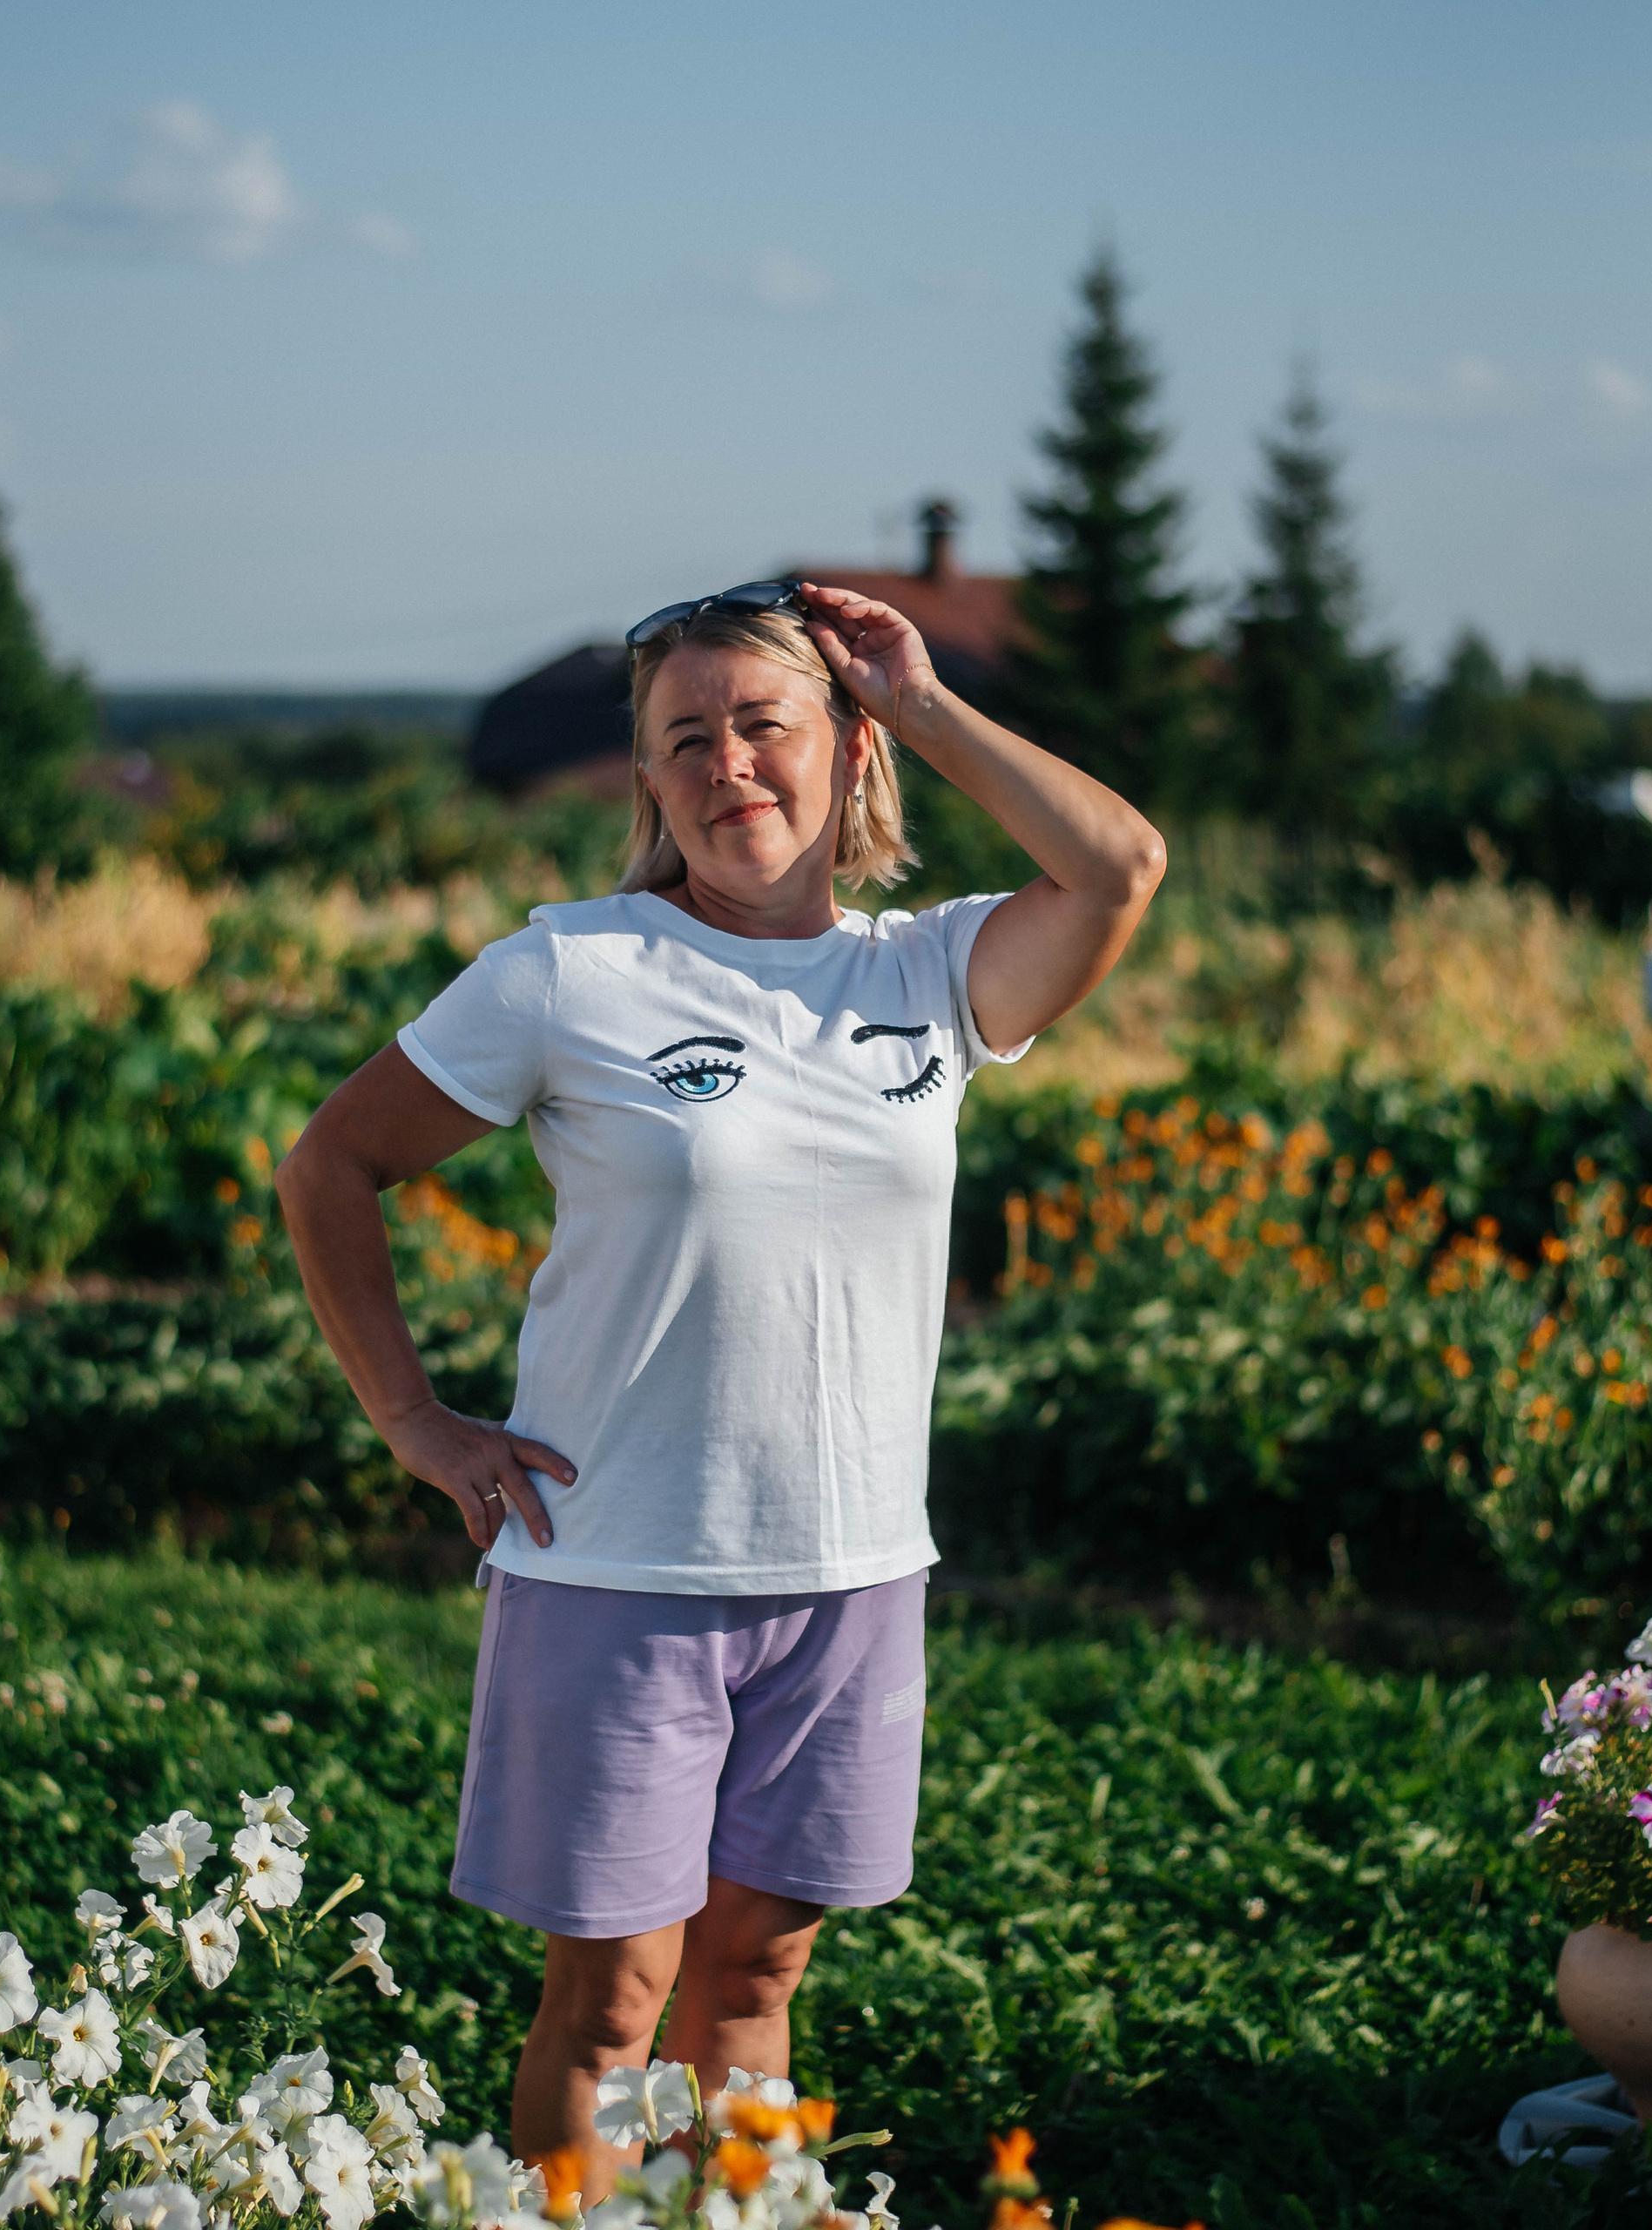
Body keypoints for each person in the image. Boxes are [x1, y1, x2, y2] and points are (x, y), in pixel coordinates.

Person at [275, 578, 1163, 2191]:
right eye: (686, 739)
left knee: (755, 1980)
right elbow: (332, 1164)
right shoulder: (571, 973)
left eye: (766, 725)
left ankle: (722, 2223)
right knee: (613, 2007)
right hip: (621, 1568)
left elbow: (1120, 868)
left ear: (850, 752)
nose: (729, 764)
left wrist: (927, 700)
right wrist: (413, 1419)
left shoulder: (931, 972)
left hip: (851, 1577)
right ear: (648, 781)